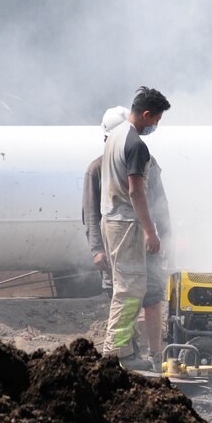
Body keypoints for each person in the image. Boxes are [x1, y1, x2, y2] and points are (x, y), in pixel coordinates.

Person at [99, 86, 171, 371]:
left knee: (126, 286)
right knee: (130, 289)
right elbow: (137, 192)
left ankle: (124, 350)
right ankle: (114, 352)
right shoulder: (136, 145)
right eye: (156, 120)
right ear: (145, 114)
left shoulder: (114, 137)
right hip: (127, 224)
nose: (155, 125)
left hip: (112, 220)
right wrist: (151, 231)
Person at [82, 106, 129, 297]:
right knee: (117, 296)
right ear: (106, 139)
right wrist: (97, 250)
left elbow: (159, 206)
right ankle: (123, 328)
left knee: (149, 297)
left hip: (142, 249)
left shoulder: (146, 162)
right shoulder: (97, 169)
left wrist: (164, 239)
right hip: (113, 250)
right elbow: (91, 214)